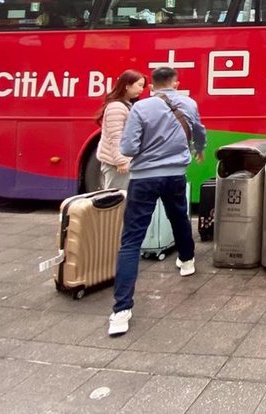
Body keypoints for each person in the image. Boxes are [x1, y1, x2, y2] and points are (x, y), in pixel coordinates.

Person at [107, 66, 206, 337]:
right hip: (175, 175)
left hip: (144, 179)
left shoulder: (141, 108)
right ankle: (187, 262)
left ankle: (121, 312)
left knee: (131, 241)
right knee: (180, 218)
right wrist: (199, 150)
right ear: (176, 82)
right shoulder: (188, 103)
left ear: (151, 84)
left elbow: (127, 148)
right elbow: (199, 131)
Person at [94, 70, 146, 190]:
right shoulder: (116, 107)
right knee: (117, 202)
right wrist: (121, 161)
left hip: (123, 162)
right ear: (127, 85)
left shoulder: (127, 105)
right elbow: (116, 137)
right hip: (116, 165)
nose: (141, 89)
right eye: (139, 85)